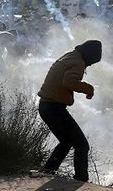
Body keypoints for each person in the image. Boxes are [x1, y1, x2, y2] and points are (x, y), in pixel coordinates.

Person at [37, 39, 101, 182]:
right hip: (53, 107)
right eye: (91, 62)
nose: (89, 65)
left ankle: (48, 171)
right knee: (82, 145)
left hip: (47, 106)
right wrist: (88, 88)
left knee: (66, 141)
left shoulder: (70, 55)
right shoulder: (78, 62)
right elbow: (69, 82)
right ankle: (81, 179)